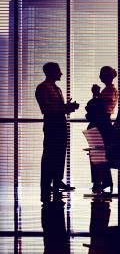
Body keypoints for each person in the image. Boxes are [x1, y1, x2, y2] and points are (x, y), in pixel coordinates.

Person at [35, 62, 79, 201]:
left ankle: (57, 180)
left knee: (60, 153)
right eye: (58, 71)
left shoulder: (57, 89)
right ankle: (47, 184)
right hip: (52, 124)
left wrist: (67, 108)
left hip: (60, 124)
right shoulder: (42, 88)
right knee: (49, 154)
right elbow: (46, 109)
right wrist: (66, 108)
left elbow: (56, 107)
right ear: (51, 72)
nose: (61, 74)